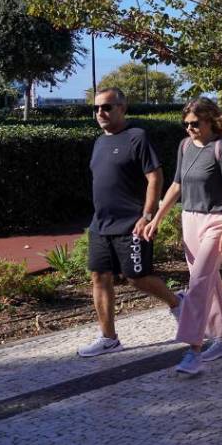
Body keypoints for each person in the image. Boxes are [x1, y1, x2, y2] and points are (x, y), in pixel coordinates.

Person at [78, 88, 182, 358]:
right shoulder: (99, 142)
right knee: (99, 277)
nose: (100, 112)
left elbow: (155, 177)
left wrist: (147, 216)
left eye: (107, 107)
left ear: (122, 108)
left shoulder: (137, 137)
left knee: (138, 278)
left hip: (131, 223)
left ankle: (177, 303)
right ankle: (108, 338)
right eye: (96, 108)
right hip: (101, 224)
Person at [146, 98, 222, 374]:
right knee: (209, 281)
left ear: (210, 120)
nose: (189, 128)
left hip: (216, 220)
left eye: (195, 123)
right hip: (190, 219)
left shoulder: (221, 147)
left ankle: (194, 350)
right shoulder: (185, 146)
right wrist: (157, 218)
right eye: (186, 124)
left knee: (198, 283)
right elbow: (176, 185)